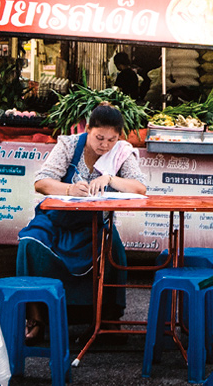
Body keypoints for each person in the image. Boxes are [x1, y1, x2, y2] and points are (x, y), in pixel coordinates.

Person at [14, 104, 149, 333]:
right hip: (55, 221)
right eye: (99, 138)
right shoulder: (68, 145)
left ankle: (107, 321)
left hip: (94, 224)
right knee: (30, 244)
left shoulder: (121, 152)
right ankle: (36, 320)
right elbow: (42, 182)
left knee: (113, 248)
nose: (104, 145)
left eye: (111, 139)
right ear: (88, 129)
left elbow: (139, 188)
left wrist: (110, 179)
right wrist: (69, 190)